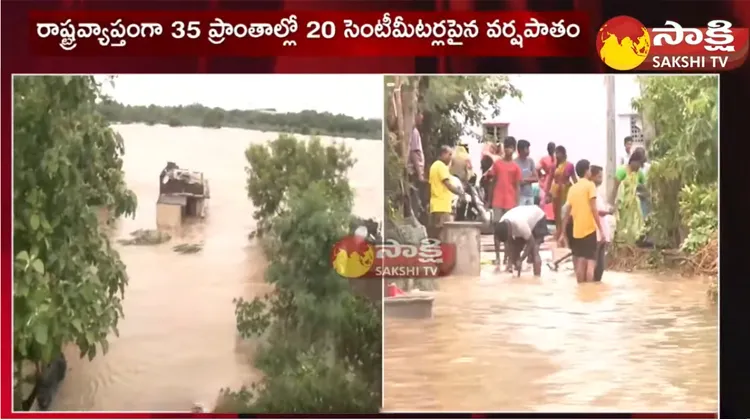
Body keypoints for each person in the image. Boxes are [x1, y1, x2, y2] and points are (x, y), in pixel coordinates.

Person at [560, 159, 604, 283]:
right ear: (586, 171)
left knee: (580, 261)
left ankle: (580, 289)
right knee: (590, 263)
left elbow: (567, 212)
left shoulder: (573, 189)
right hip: (589, 229)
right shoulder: (590, 186)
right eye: (590, 169)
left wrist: (563, 232)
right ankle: (588, 291)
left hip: (576, 230)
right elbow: (593, 209)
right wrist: (601, 229)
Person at [486, 136, 521, 271]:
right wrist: (489, 200)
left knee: (508, 232)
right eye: (507, 147)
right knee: (496, 230)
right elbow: (492, 182)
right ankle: (497, 257)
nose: (508, 150)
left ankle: (507, 258)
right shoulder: (497, 164)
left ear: (514, 149)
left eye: (511, 147)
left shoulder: (516, 167)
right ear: (504, 148)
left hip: (510, 202)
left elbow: (517, 186)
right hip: (497, 201)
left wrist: (517, 204)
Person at [495, 205, 549, 277]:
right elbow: (509, 243)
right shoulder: (501, 224)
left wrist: (521, 259)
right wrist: (509, 261)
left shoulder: (520, 224)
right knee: (515, 252)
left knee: (534, 250)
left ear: (510, 231)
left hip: (538, 218)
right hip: (526, 219)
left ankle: (537, 279)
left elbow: (531, 242)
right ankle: (517, 279)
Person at [611, 147, 647, 244]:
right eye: (639, 164)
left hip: (633, 207)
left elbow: (645, 188)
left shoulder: (639, 174)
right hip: (622, 207)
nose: (639, 167)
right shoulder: (622, 171)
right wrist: (612, 205)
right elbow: (614, 190)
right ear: (633, 161)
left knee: (634, 230)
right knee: (622, 229)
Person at [428, 145, 464, 241]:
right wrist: (460, 193)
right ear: (443, 154)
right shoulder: (441, 166)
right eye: (449, 154)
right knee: (443, 234)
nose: (451, 157)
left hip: (436, 204)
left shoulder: (434, 166)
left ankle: (436, 254)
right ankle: (442, 254)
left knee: (437, 233)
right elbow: (447, 184)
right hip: (442, 205)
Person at [545, 145, 577, 236]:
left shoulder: (569, 166)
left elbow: (574, 179)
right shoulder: (553, 166)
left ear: (563, 154)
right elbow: (549, 180)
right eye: (556, 153)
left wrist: (579, 189)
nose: (557, 155)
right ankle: (559, 232)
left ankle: (565, 232)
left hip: (566, 191)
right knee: (557, 212)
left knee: (566, 211)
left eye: (559, 153)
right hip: (556, 191)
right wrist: (547, 194)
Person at [407, 111, 426, 219]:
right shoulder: (414, 132)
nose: (422, 118)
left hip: (414, 171)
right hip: (413, 172)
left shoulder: (413, 131)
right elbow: (414, 153)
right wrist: (420, 174)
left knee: (415, 200)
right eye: (421, 114)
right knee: (415, 200)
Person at [515, 139, 537, 206]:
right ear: (520, 150)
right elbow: (517, 181)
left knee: (530, 215)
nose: (528, 150)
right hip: (520, 196)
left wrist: (524, 179)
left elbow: (536, 178)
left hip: (530, 194)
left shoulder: (530, 161)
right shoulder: (515, 163)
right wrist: (530, 178)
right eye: (526, 148)